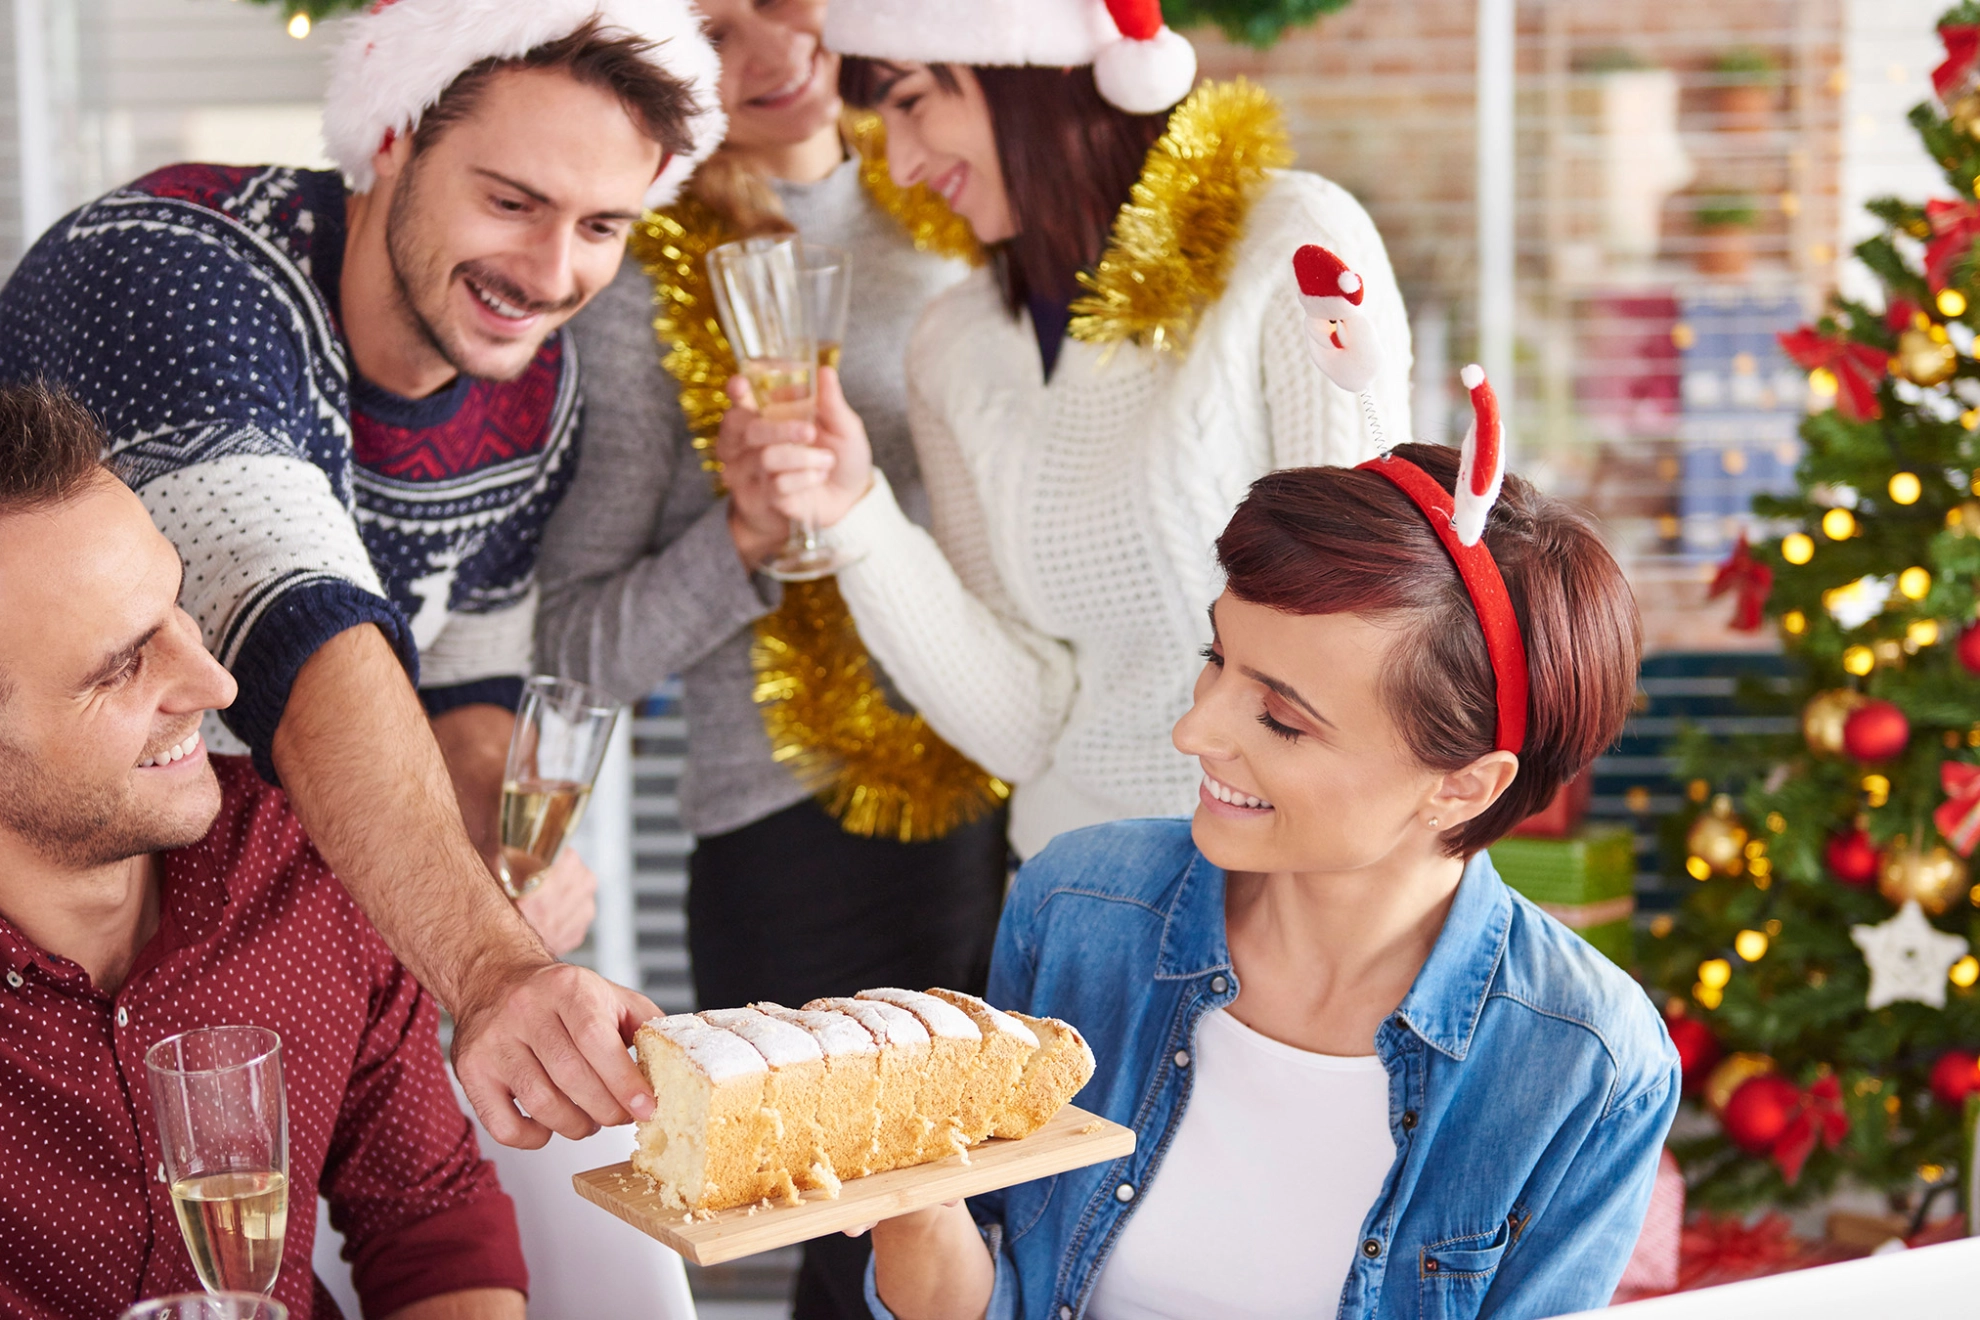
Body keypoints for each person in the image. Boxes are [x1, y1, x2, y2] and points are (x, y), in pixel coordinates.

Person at [0, 0, 724, 1148]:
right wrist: (491, 971)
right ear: (393, 139)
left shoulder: (535, 385)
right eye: (511, 202)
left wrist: (498, 865)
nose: (550, 273)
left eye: (603, 226)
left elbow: (470, 685)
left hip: (281, 938)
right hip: (49, 940)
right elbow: (303, 635)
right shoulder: (171, 272)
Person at [859, 420, 1680, 1320]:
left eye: (1282, 721)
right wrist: (915, 1208)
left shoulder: (1587, 1062)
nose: (1195, 732)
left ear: (1463, 786)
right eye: (1217, 658)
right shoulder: (1077, 907)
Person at [533, 2, 1004, 1310]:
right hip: (800, 843)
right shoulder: (636, 285)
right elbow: (575, 647)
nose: (773, 49)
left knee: (1027, 1230)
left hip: (1032, 791)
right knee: (867, 1245)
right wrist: (745, 535)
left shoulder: (969, 205)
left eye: (784, 2)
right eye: (714, 25)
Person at [722, 0, 1413, 860]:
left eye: (910, 102)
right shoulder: (953, 345)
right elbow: (1022, 725)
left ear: (1029, 72)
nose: (898, 164)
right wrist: (854, 511)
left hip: (1277, 886)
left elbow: (1362, 622)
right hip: (1069, 886)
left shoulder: (1293, 247)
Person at [0, 384, 529, 1319]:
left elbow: (430, 1226)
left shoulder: (298, 860)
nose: (214, 681)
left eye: (176, 608)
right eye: (122, 664)